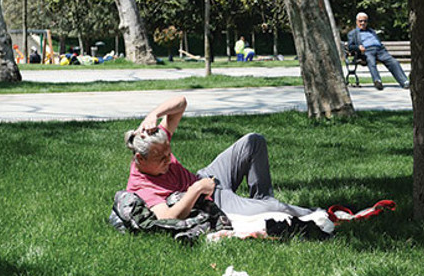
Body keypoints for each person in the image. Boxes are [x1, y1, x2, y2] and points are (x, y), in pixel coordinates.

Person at [125, 96, 327, 228]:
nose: (168, 159)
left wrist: (154, 114)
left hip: (206, 177)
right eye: (161, 158)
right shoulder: (141, 185)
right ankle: (319, 215)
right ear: (140, 159)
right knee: (276, 208)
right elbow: (168, 217)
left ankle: (261, 199)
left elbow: (181, 103)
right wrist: (196, 190)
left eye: (168, 153)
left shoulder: (157, 144)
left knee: (253, 141)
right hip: (208, 199)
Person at [346, 12, 409, 90]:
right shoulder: (353, 33)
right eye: (361, 21)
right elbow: (350, 46)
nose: (363, 23)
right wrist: (358, 47)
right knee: (371, 61)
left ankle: (405, 82)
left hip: (380, 50)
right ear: (356, 21)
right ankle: (377, 81)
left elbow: (378, 41)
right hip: (367, 51)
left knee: (393, 62)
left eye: (365, 21)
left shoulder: (371, 31)